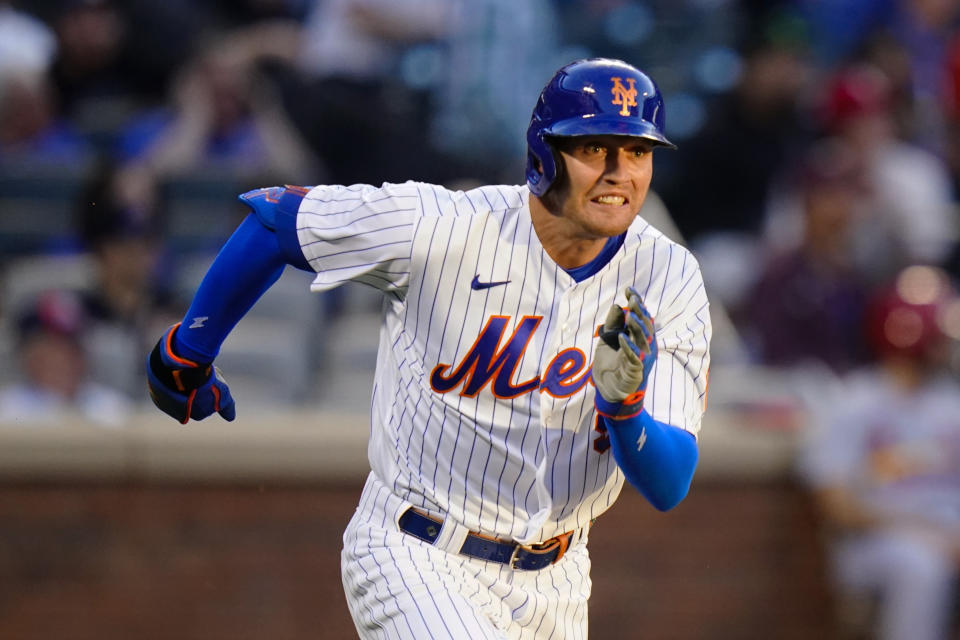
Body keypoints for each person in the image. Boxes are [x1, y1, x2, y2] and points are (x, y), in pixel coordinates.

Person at [144, 58, 711, 638]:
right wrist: (188, 350)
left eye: (637, 152)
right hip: (419, 551)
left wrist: (624, 412)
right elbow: (275, 220)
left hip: (560, 580)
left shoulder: (668, 275)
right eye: (594, 149)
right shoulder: (444, 226)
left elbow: (669, 485)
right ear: (543, 157)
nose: (620, 173)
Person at [797, 265, 960, 640]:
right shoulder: (855, 400)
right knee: (920, 564)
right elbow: (834, 503)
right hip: (878, 541)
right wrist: (926, 532)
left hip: (946, 531)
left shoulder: (951, 401)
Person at [0, 289, 132, 427]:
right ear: (27, 357)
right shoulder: (7, 410)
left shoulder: (113, 408)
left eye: (72, 348)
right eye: (51, 349)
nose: (63, 360)